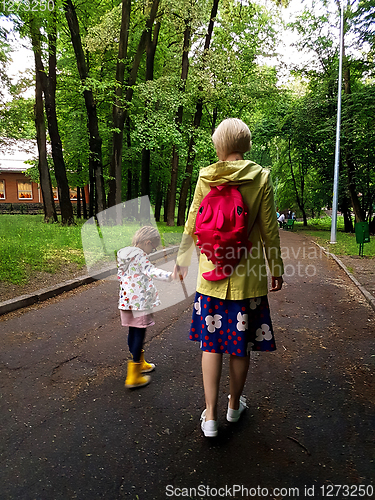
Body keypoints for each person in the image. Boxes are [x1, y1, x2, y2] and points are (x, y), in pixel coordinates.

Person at [173, 118, 284, 437]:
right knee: (240, 347)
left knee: (211, 344)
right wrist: (275, 267)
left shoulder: (207, 175)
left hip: (211, 276)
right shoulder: (260, 177)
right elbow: (268, 230)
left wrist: (182, 260)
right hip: (247, 277)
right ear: (246, 145)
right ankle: (234, 407)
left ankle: (210, 416)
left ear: (219, 146)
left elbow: (192, 222)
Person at [117, 226, 172, 389]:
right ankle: (134, 375)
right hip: (139, 302)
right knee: (139, 333)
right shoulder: (140, 255)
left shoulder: (124, 254)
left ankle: (139, 362)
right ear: (147, 242)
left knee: (133, 332)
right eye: (152, 247)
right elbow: (151, 271)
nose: (151, 251)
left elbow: (122, 275)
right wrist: (170, 275)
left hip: (127, 301)